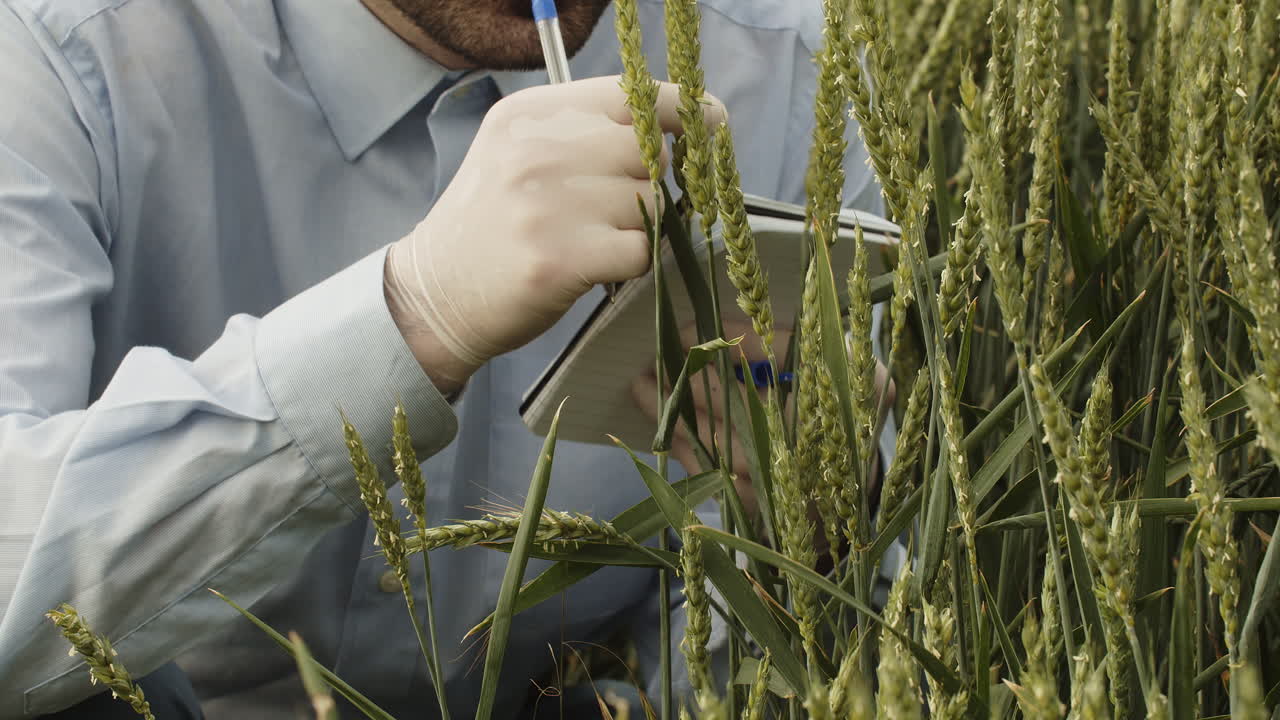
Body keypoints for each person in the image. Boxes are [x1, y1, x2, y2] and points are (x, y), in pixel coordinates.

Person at [0, 0, 883, 717]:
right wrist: (413, 317)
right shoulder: (64, 54)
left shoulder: (790, 73)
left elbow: (776, 654)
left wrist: (808, 550)